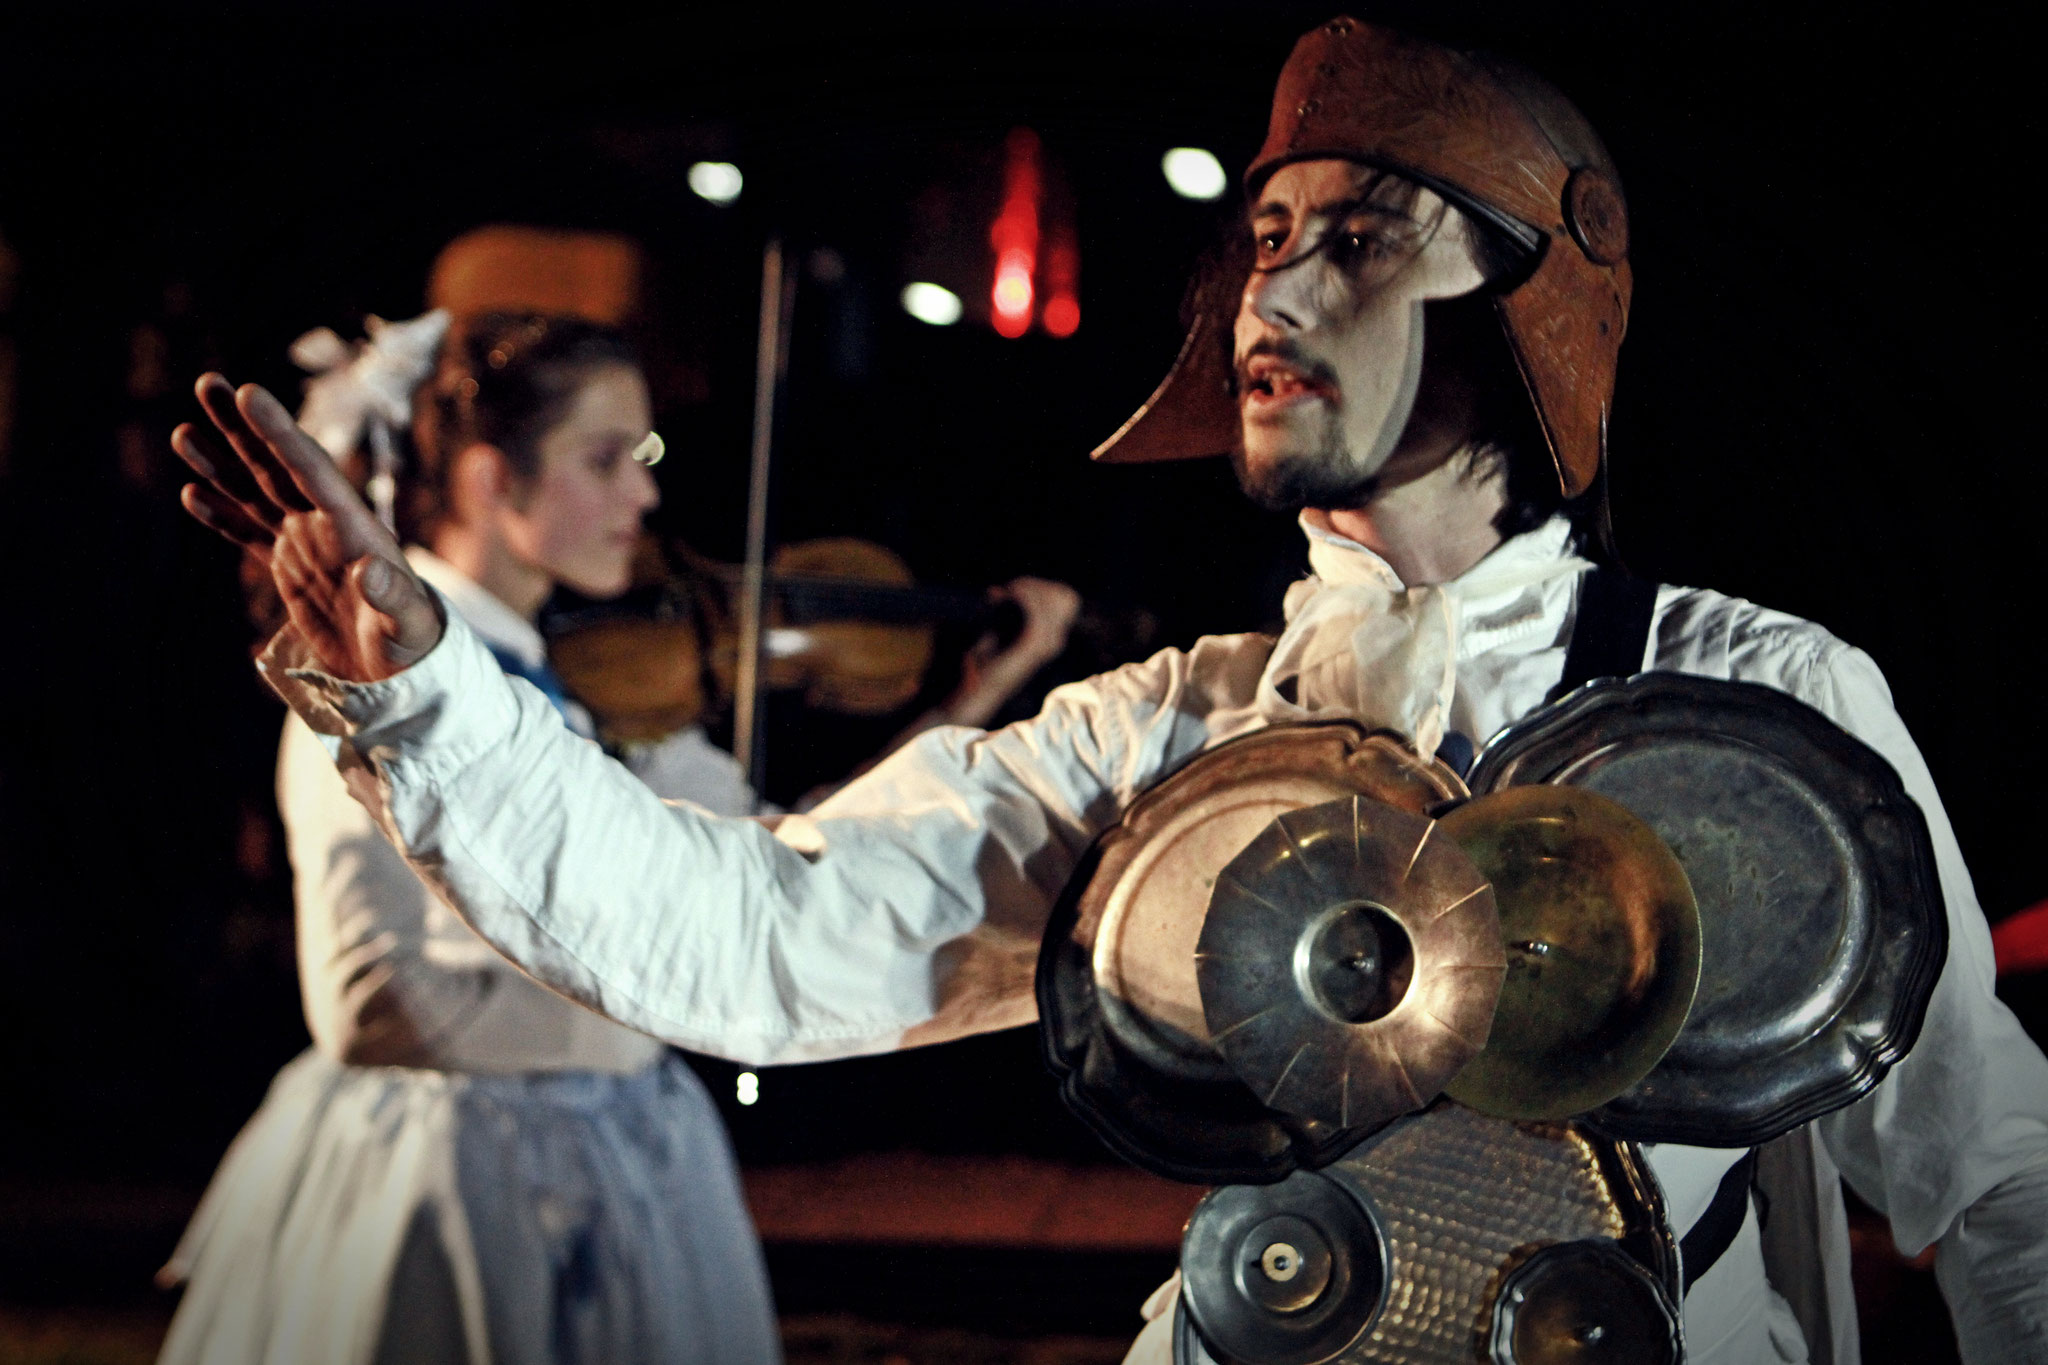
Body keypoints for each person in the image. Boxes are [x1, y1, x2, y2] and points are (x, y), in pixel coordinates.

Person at [174, 19, 2048, 1364]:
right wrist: (431, 696)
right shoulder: (1172, 740)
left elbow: (1992, 1178)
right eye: (1264, 240)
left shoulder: (1755, 707)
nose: (1270, 298)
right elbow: (750, 932)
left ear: (1520, 306)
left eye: (1359, 239)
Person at [159, 309, 1079, 1365]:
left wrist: (974, 700)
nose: (644, 497)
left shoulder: (599, 680)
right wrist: (652, 993)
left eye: (643, 455)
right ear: (489, 482)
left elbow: (780, 863)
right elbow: (369, 1002)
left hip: (622, 1152)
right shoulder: (368, 684)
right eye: (604, 459)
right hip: (457, 1181)